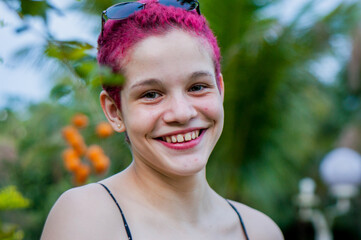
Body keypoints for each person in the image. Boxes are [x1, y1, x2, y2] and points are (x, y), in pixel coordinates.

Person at [41, 0, 284, 239]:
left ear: (220, 89)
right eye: (151, 94)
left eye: (197, 87)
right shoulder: (87, 218)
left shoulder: (259, 231)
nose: (181, 113)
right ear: (114, 111)